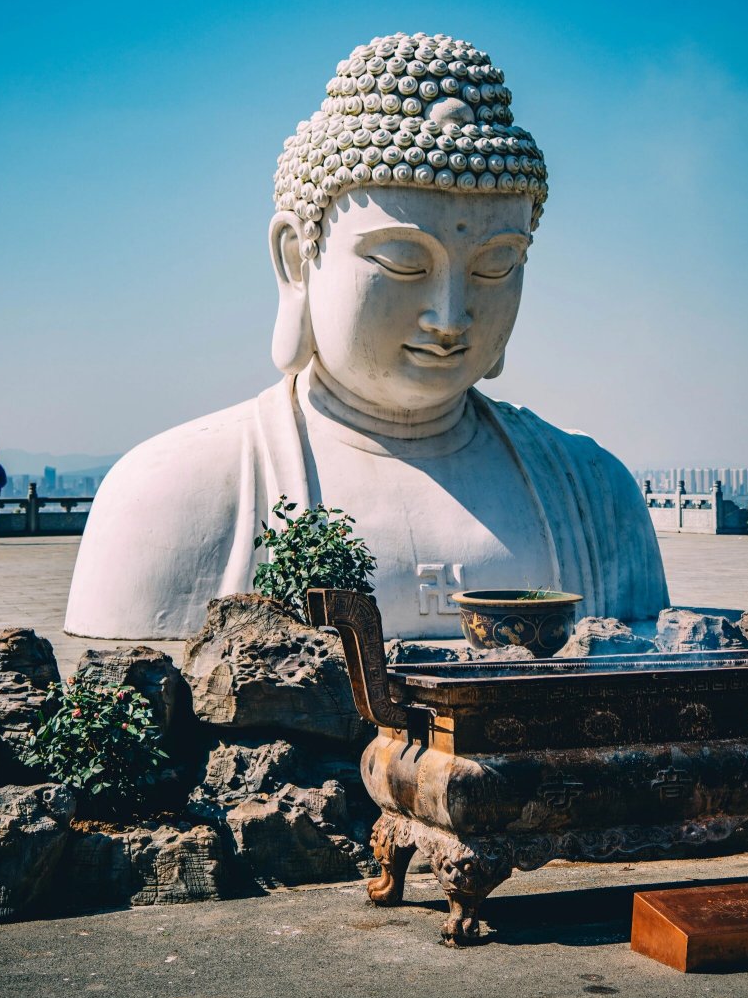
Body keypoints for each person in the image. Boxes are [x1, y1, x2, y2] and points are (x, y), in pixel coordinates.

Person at [65, 32, 668, 640]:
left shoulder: (595, 497)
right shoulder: (169, 497)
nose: (450, 316)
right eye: (404, 263)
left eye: (495, 266)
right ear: (298, 261)